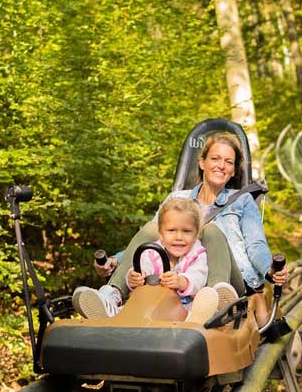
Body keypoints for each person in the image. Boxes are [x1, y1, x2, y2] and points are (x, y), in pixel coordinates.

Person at [92, 131, 289, 318]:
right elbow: (152, 236)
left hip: (229, 280)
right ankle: (111, 295)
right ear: (202, 163)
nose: (221, 165)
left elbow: (256, 245)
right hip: (179, 277)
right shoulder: (177, 199)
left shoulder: (242, 201)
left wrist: (270, 269)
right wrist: (116, 260)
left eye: (228, 162)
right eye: (215, 159)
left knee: (211, 231)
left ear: (233, 171)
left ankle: (216, 299)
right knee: (152, 227)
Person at [72, 197, 236, 324]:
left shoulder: (196, 254)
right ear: (161, 233)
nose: (179, 237)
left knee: (200, 302)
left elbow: (198, 277)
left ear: (195, 234)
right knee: (131, 305)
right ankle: (110, 311)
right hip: (152, 306)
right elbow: (142, 271)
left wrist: (182, 282)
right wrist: (133, 278)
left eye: (186, 231)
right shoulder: (151, 253)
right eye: (172, 231)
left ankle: (195, 320)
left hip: (182, 308)